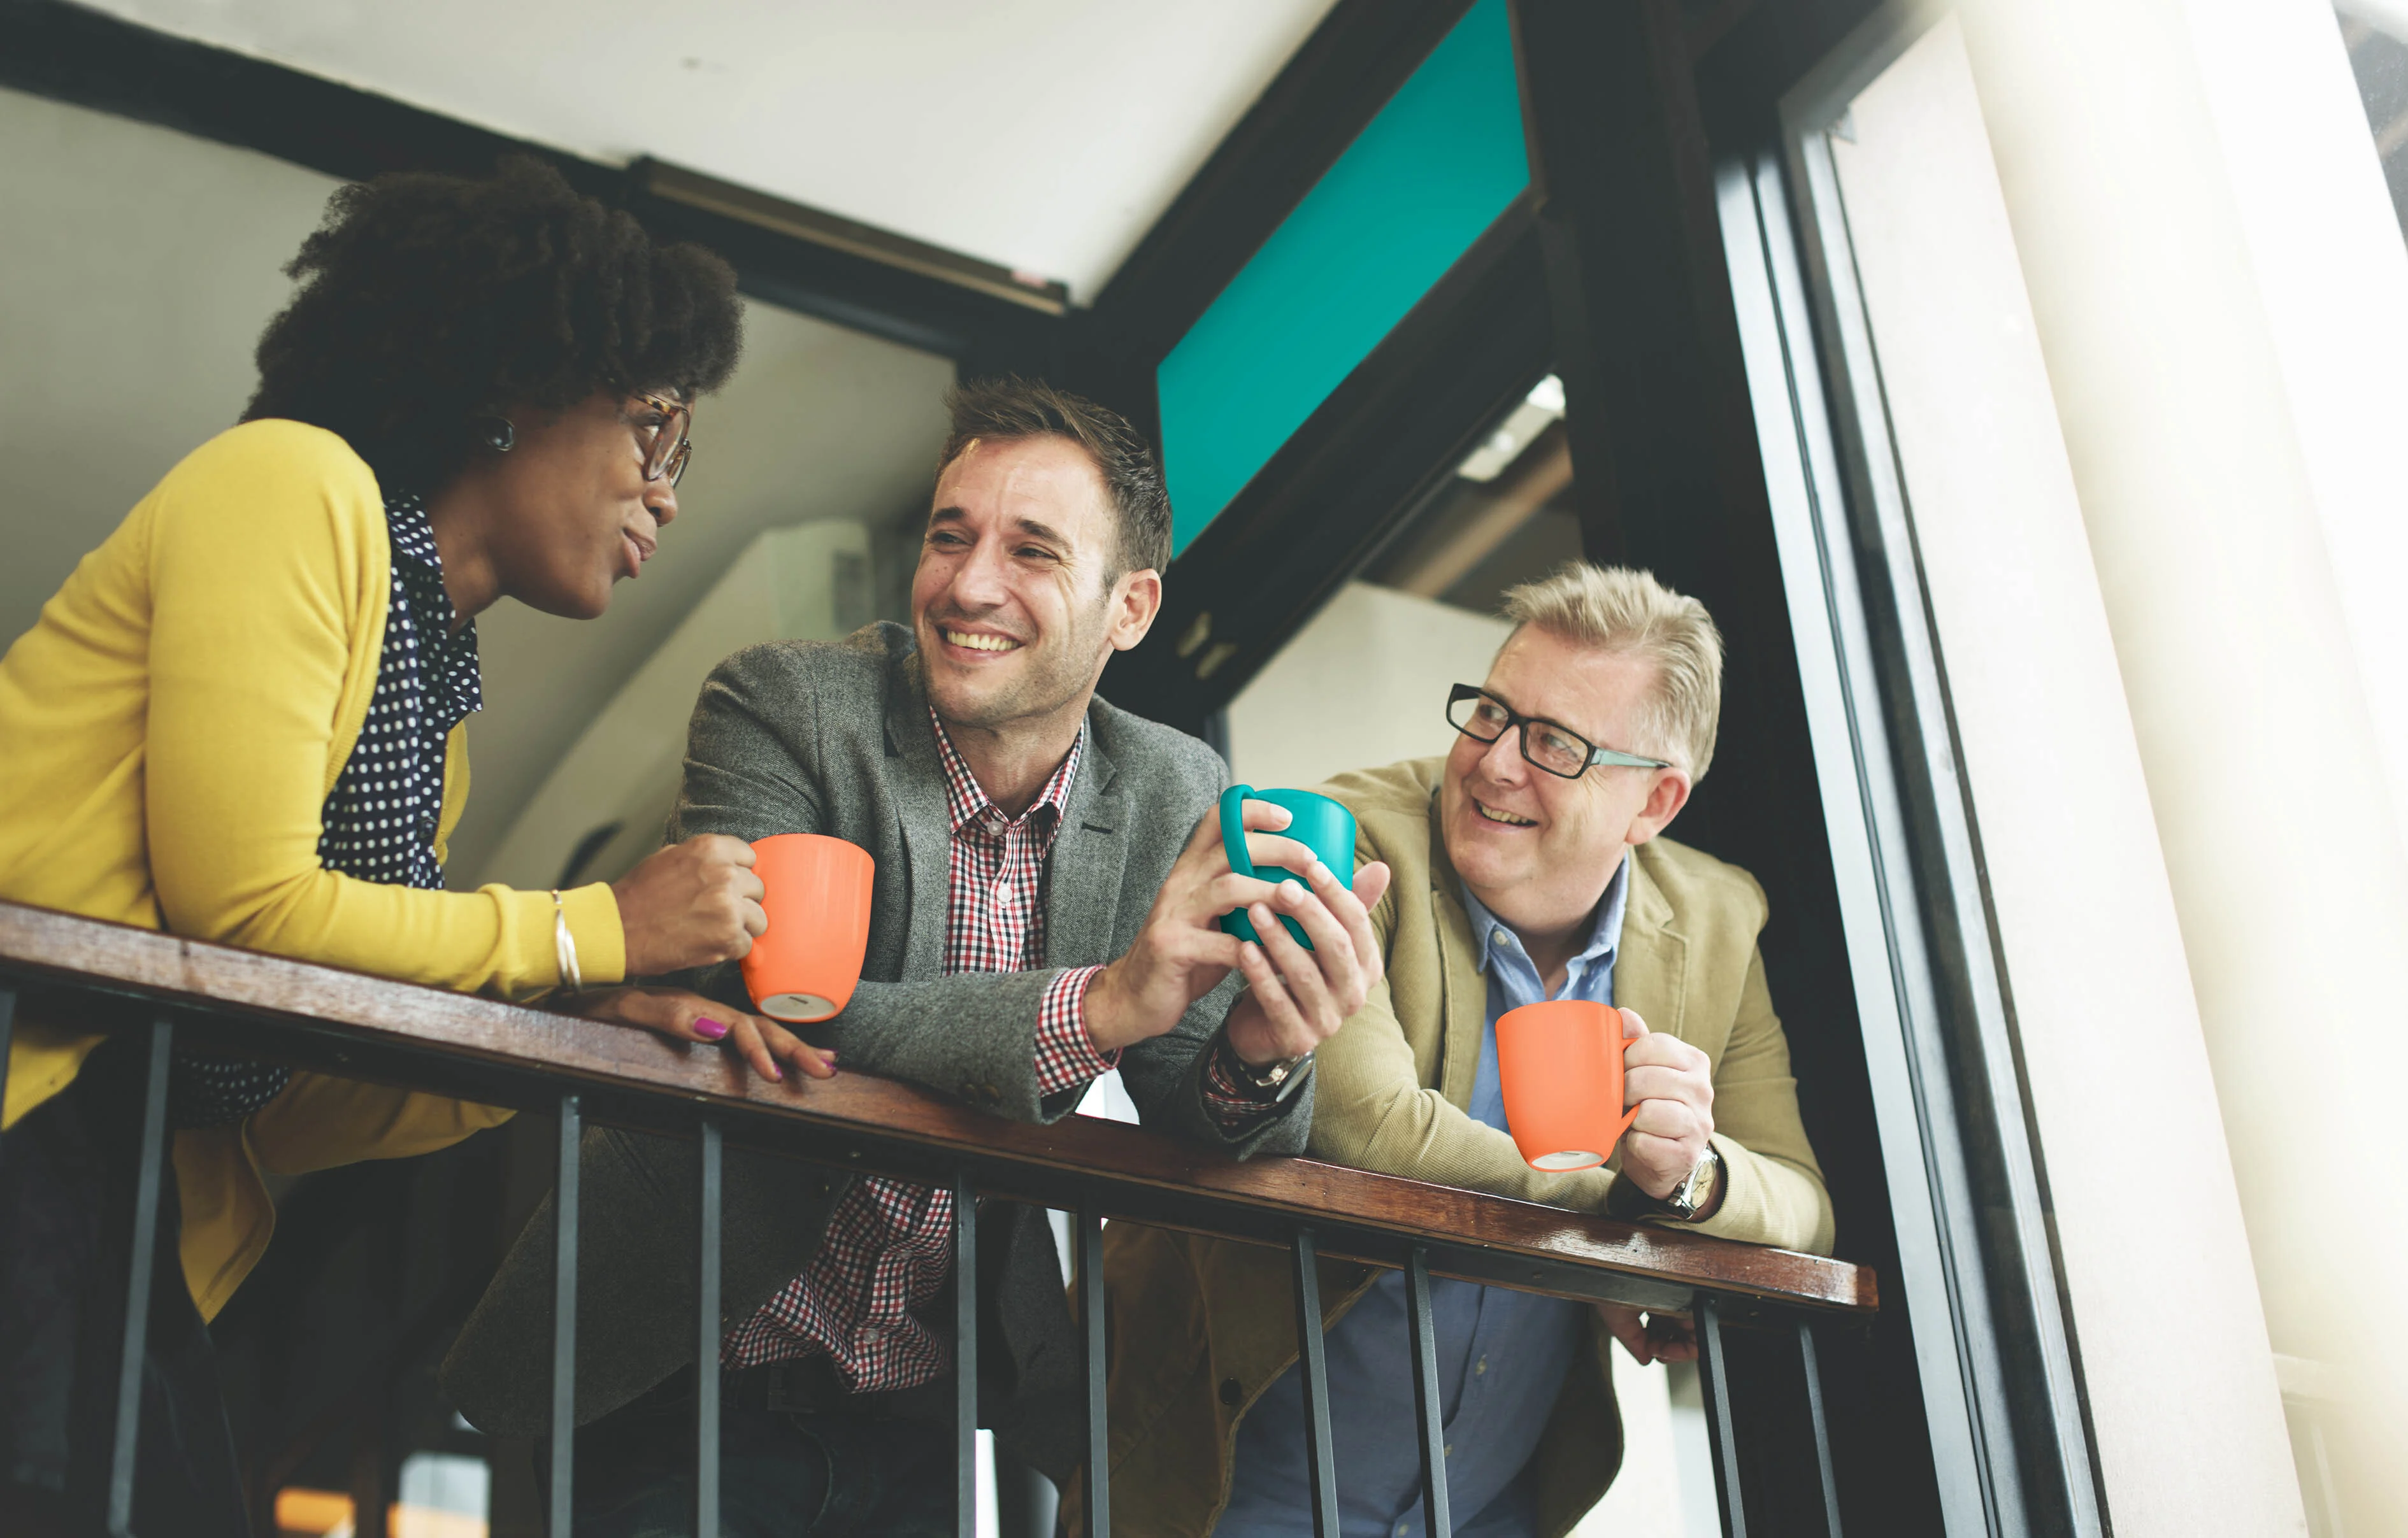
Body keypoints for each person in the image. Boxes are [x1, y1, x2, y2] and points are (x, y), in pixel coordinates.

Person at [440, 377, 1395, 1535]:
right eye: (952, 535)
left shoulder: (1172, 785)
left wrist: (1259, 1047)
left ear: (1129, 607)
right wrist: (1095, 1007)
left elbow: (1202, 1112)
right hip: (684, 1368)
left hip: (929, 1411)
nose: (969, 583)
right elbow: (774, 1014)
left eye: (1032, 550)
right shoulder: (783, 703)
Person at [0, 158, 785, 1537]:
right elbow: (243, 913)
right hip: (38, 1128)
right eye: (652, 430)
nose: (666, 496)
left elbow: (291, 1081)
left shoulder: (430, 691)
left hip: (132, 1193)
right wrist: (591, 926)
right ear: (516, 389)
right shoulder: (294, 486)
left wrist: (567, 1030)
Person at [1093, 564, 1835, 1538]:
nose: (1493, 763)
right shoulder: (1343, 839)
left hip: (1493, 1504)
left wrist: (1691, 1178)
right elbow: (1369, 1131)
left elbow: (1799, 1203)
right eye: (1489, 713)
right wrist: (1632, 1222)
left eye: (1554, 743)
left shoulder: (1718, 915)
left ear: (1653, 803)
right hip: (1232, 1479)